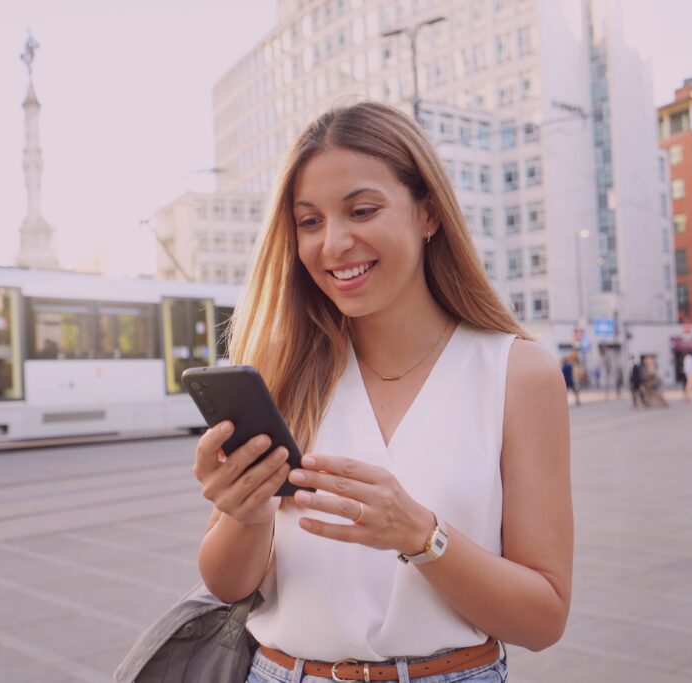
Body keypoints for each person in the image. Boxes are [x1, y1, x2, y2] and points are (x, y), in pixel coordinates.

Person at [192, 102, 573, 683]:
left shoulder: (517, 374)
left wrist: (422, 536)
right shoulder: (283, 373)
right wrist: (242, 513)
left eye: (362, 210)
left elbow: (543, 619)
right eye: (310, 221)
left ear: (428, 214)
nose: (334, 243)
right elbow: (227, 584)